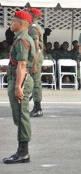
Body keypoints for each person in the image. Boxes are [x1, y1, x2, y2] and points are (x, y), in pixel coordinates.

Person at [3, 11, 35, 164]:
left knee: (22, 116)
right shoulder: (19, 39)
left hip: (20, 80)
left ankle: (23, 153)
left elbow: (22, 64)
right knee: (19, 115)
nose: (11, 22)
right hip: (16, 78)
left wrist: (18, 86)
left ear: (22, 23)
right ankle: (21, 150)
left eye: (13, 20)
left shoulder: (22, 40)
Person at [28, 8, 44, 118]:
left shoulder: (33, 28)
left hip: (35, 58)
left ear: (33, 16)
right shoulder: (33, 26)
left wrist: (34, 64)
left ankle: (38, 109)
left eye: (29, 14)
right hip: (33, 57)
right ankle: (35, 107)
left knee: (36, 82)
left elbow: (37, 47)